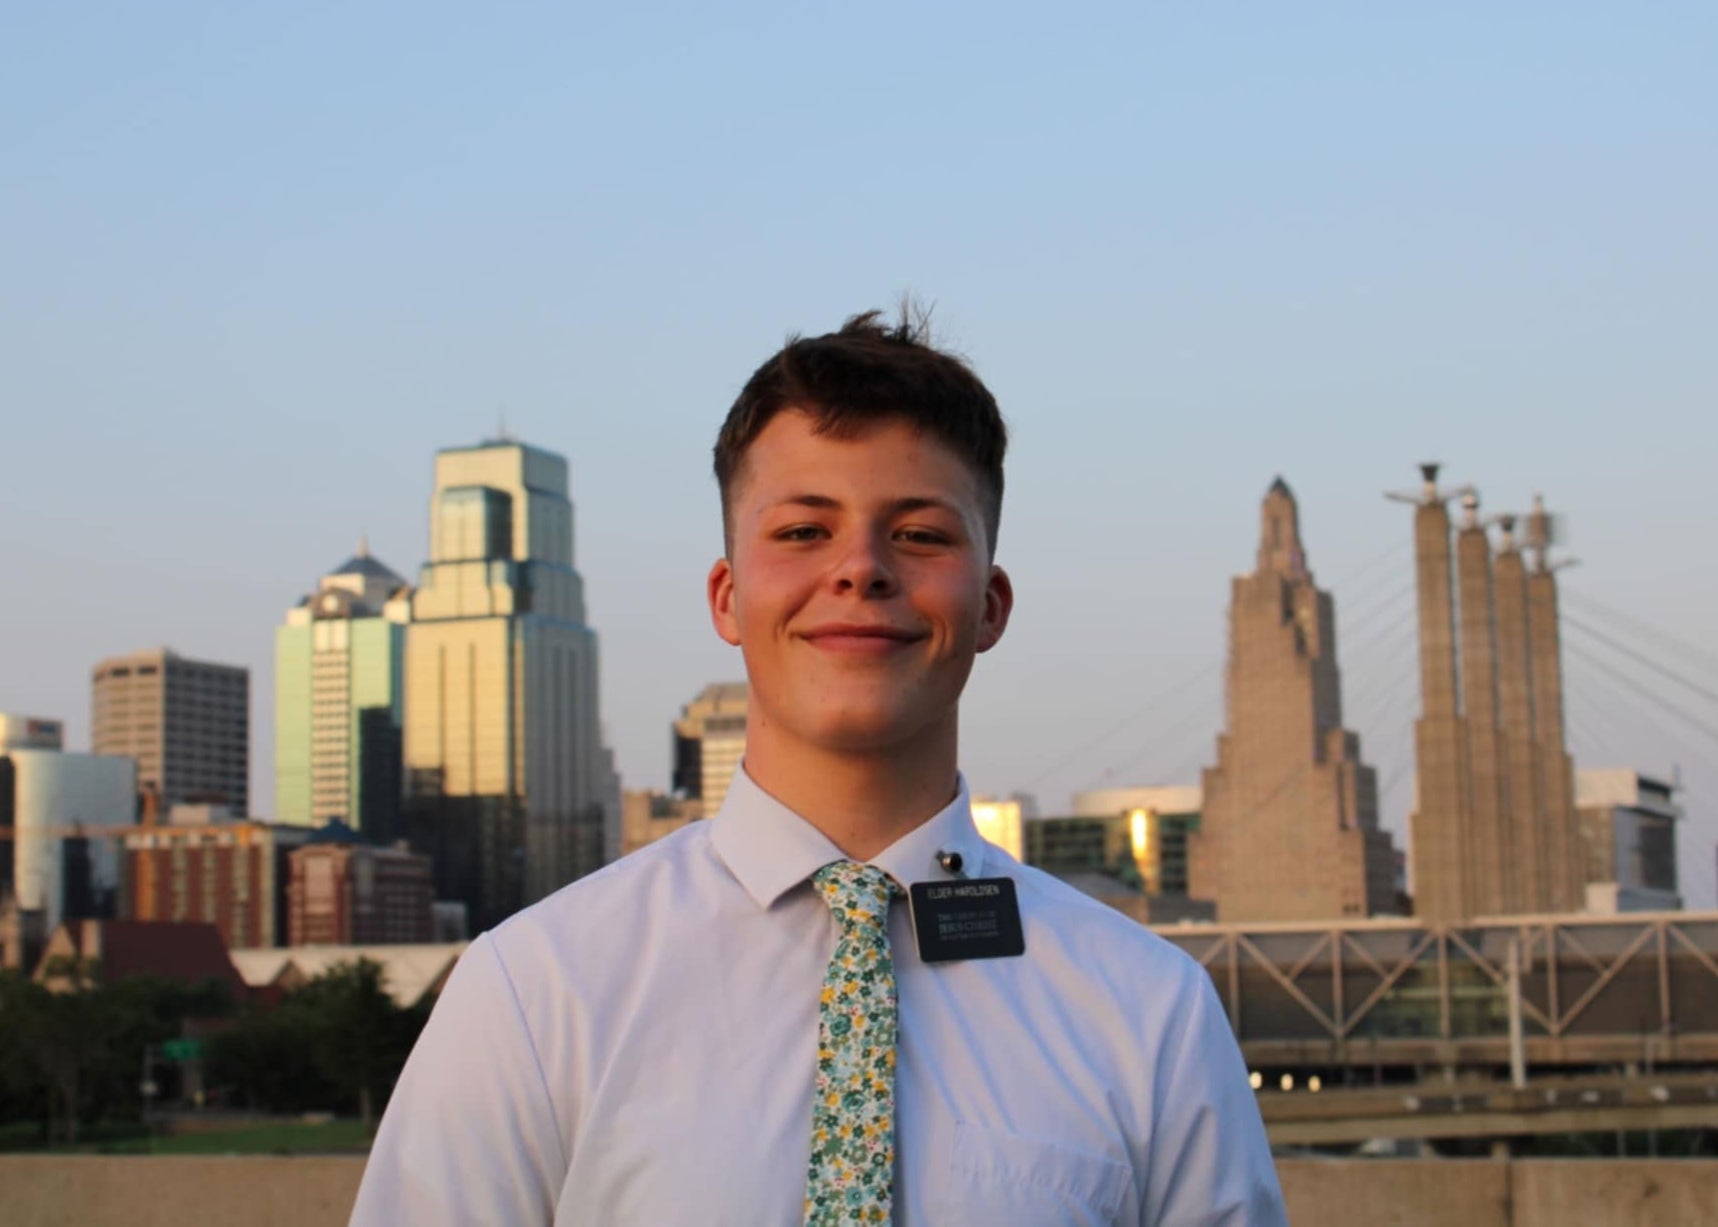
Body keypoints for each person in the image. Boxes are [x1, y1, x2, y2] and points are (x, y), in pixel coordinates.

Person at [351, 309, 1287, 1225]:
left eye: (920, 533)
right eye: (804, 530)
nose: (861, 568)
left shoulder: (1149, 1011)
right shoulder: (536, 989)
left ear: (992, 604)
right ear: (727, 595)